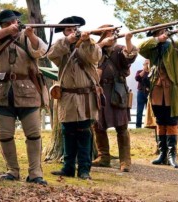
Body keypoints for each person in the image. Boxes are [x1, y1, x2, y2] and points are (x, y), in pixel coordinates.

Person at [0, 10, 48, 185]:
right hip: (1, 92)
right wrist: (7, 31)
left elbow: (41, 50)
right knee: (5, 135)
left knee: (33, 134)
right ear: (2, 25)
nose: (14, 24)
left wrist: (31, 35)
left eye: (15, 22)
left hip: (29, 92)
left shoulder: (26, 36)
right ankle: (12, 170)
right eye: (9, 23)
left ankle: (35, 173)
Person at [47, 16, 102, 180]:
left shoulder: (90, 43)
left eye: (74, 29)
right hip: (67, 97)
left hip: (86, 97)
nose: (72, 32)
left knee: (84, 134)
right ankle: (68, 167)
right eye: (68, 30)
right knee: (68, 133)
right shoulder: (61, 46)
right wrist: (67, 41)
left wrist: (85, 42)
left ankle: (84, 170)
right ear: (64, 32)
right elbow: (51, 55)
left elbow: (95, 57)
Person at [138, 24, 178, 168]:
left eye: (165, 32)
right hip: (156, 89)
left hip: (171, 89)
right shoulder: (152, 47)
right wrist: (158, 40)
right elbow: (140, 47)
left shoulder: (175, 45)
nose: (164, 34)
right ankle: (162, 154)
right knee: (160, 121)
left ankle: (172, 155)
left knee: (171, 121)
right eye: (160, 33)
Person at [91, 24, 137, 172]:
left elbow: (129, 57)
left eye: (113, 32)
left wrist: (129, 41)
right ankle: (104, 157)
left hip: (117, 90)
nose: (112, 35)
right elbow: (87, 56)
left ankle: (125, 161)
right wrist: (102, 44)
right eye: (108, 33)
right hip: (99, 91)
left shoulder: (119, 49)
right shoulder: (96, 49)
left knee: (121, 126)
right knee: (98, 125)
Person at [135, 59, 150, 128]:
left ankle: (149, 125)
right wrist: (144, 70)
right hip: (141, 92)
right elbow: (137, 78)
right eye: (145, 64)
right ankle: (138, 126)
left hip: (149, 93)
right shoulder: (139, 71)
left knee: (149, 111)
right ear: (143, 65)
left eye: (148, 63)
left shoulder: (152, 72)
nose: (146, 65)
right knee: (139, 111)